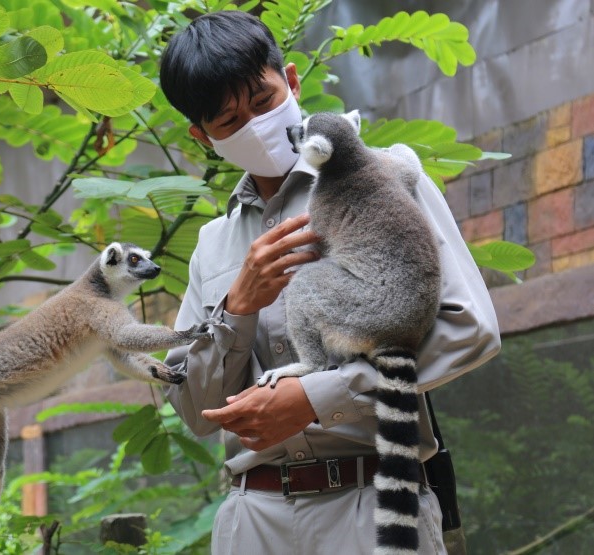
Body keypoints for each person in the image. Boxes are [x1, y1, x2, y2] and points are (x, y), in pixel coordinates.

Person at [159, 11, 500, 555]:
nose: (253, 124)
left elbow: (471, 328)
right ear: (203, 136)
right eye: (228, 121)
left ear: (291, 82)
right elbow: (193, 407)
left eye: (263, 101)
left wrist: (318, 397)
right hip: (255, 516)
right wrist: (238, 307)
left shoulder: (385, 172)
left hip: (372, 502)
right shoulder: (213, 244)